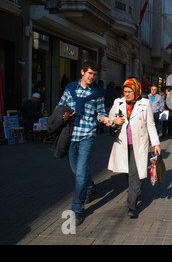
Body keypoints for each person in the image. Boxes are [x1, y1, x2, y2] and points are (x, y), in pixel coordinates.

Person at [57, 60, 112, 226]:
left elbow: (100, 112)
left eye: (94, 75)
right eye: (89, 73)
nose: (91, 77)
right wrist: (64, 115)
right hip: (70, 135)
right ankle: (90, 188)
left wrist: (104, 119)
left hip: (87, 134)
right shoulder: (70, 88)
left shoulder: (97, 92)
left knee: (80, 173)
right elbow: (61, 106)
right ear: (82, 72)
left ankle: (77, 209)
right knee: (76, 171)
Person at [108, 78, 161, 218]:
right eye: (125, 92)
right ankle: (135, 190)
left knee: (134, 173)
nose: (127, 95)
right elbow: (110, 118)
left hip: (139, 144)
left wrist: (156, 143)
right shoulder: (118, 102)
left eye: (129, 92)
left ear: (136, 91)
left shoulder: (145, 103)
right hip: (123, 144)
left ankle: (131, 205)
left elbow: (150, 124)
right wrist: (114, 121)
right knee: (127, 172)